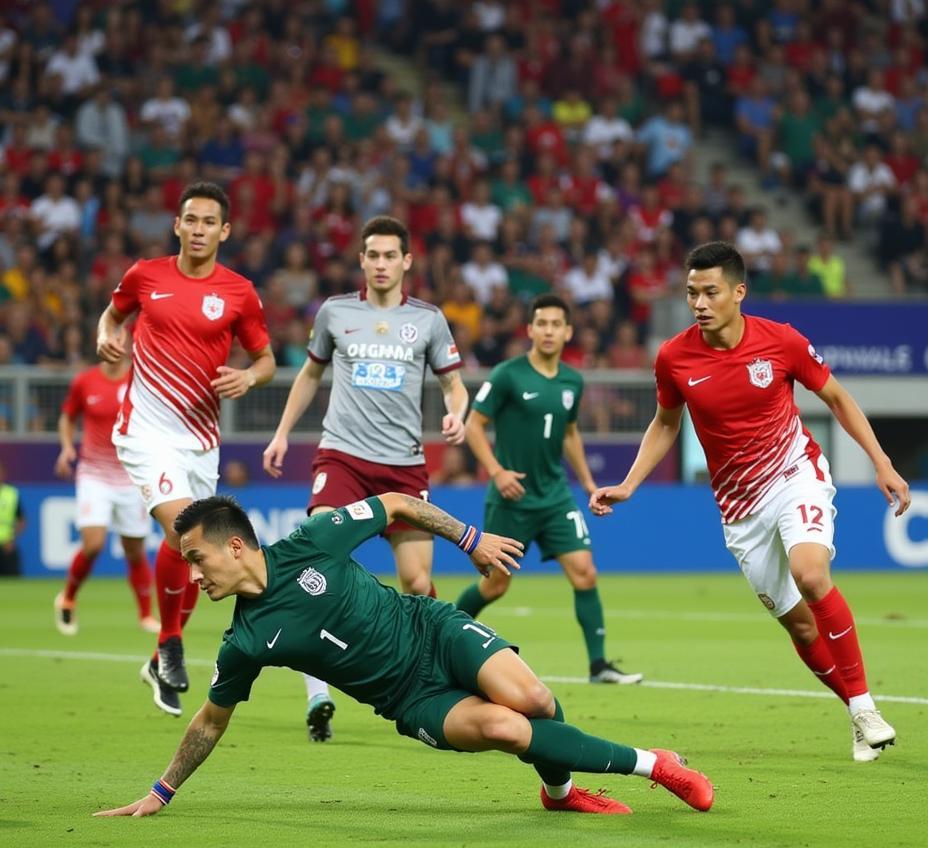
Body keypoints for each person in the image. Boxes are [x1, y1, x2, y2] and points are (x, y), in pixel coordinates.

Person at [94, 493, 714, 819]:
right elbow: (209, 721)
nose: (193, 575)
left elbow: (393, 503)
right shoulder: (244, 643)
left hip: (433, 629)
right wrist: (161, 790)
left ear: (234, 547)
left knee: (535, 700)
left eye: (196, 559)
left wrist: (467, 537)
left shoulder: (312, 541)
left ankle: (560, 791)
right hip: (410, 699)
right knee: (507, 726)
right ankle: (655, 764)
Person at [589, 241, 911, 763]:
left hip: (794, 473)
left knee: (811, 574)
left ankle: (866, 707)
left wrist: (881, 461)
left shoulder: (781, 341)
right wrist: (629, 483)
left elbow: (836, 398)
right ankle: (855, 711)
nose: (699, 302)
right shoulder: (674, 356)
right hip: (739, 511)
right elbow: (665, 424)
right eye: (691, 292)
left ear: (738, 292)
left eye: (710, 292)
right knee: (800, 624)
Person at [262, 216, 468, 742]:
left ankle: (435, 676)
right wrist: (283, 433)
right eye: (371, 255)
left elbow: (454, 385)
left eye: (388, 256)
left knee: (418, 584)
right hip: (342, 460)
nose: (380, 264)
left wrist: (456, 413)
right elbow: (310, 374)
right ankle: (317, 694)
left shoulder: (428, 321)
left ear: (406, 261)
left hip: (402, 464)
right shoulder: (335, 312)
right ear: (361, 260)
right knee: (314, 564)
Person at [96, 180, 276, 717]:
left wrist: (249, 378)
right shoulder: (145, 275)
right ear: (177, 225)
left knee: (205, 549)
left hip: (200, 442)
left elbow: (264, 358)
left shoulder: (239, 291)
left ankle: (160, 655)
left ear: (225, 230)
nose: (198, 230)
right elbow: (113, 314)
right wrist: (107, 334)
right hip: (145, 433)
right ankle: (171, 641)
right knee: (184, 529)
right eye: (190, 220)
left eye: (209, 222)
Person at [458, 294, 643, 685]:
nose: (548, 331)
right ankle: (445, 637)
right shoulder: (508, 374)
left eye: (556, 324)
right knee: (496, 585)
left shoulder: (572, 381)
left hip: (555, 495)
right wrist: (496, 471)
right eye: (541, 323)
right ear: (529, 329)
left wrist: (590, 484)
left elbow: (570, 434)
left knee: (585, 573)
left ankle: (598, 666)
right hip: (512, 498)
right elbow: (473, 425)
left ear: (568, 332)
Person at [53, 355, 160, 637]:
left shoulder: (142, 379)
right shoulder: (85, 381)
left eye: (120, 338)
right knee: (93, 544)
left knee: (135, 549)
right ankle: (68, 597)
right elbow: (67, 416)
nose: (115, 344)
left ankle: (146, 615)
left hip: (132, 475)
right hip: (94, 474)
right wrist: (66, 447)